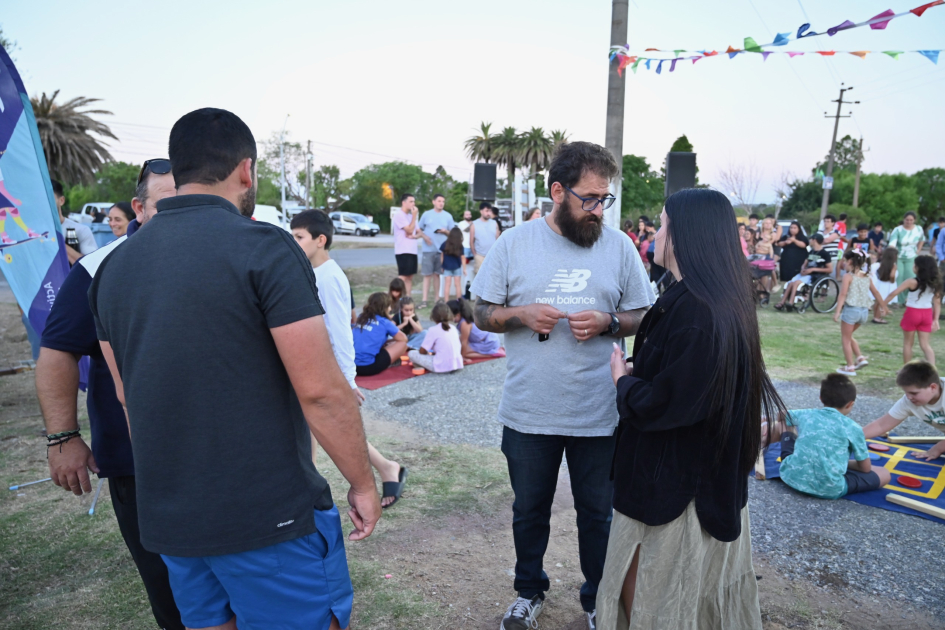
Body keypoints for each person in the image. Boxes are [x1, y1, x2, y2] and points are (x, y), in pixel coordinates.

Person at [88, 108, 380, 630]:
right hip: (266, 518)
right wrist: (363, 482)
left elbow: (128, 396)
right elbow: (321, 392)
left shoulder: (113, 266)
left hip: (174, 517)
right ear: (246, 170)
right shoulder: (263, 248)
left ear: (177, 172)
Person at [471, 141, 653, 630]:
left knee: (598, 515)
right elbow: (481, 311)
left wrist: (611, 322)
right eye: (590, 198)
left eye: (604, 198)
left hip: (600, 411)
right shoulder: (514, 243)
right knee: (529, 510)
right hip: (530, 410)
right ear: (557, 191)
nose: (598, 209)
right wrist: (519, 314)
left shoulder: (619, 247)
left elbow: (643, 314)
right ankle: (529, 591)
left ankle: (596, 599)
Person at [601, 188, 779, 630]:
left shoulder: (701, 309)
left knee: (653, 595)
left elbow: (668, 404)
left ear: (684, 236)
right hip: (696, 475)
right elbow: (693, 382)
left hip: (675, 484)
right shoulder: (709, 298)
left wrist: (623, 381)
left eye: (662, 225)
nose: (655, 234)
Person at [36, 161, 182, 630]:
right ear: (139, 208)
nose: (183, 213)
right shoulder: (102, 267)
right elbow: (57, 352)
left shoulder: (220, 254)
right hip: (138, 465)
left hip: (222, 459)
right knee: (172, 594)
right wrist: (62, 436)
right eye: (167, 204)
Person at [290, 210, 408, 509]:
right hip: (312, 363)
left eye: (298, 237)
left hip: (325, 366)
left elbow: (340, 331)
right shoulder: (313, 272)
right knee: (316, 425)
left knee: (333, 427)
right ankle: (317, 480)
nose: (293, 241)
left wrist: (346, 378)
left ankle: (384, 467)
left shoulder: (329, 277)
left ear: (320, 240)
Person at [769, 374, 890, 500]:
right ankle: (829, 465)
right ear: (850, 404)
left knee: (786, 422)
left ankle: (805, 461)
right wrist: (837, 462)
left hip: (790, 476)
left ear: (821, 398)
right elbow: (865, 468)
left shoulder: (807, 414)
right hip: (829, 489)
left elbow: (782, 414)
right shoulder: (853, 428)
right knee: (884, 473)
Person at [864, 360, 945, 461]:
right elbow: (881, 425)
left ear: (933, 387)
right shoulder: (909, 400)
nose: (909, 397)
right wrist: (852, 438)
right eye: (906, 392)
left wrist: (939, 447)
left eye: (914, 393)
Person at [833, 250, 886, 375]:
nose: (844, 264)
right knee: (849, 335)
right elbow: (876, 293)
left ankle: (850, 367)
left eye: (845, 261)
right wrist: (884, 306)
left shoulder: (848, 276)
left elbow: (843, 294)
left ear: (850, 261)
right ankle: (860, 358)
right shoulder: (867, 276)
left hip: (851, 311)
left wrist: (837, 311)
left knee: (845, 339)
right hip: (863, 312)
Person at [884, 254, 942, 364]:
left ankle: (907, 370)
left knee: (908, 344)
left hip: (913, 312)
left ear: (919, 268)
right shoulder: (935, 283)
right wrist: (936, 320)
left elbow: (893, 293)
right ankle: (932, 370)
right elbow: (937, 302)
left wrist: (883, 305)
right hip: (927, 313)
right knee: (925, 345)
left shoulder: (912, 281)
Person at [353, 292, 409, 376]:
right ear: (384, 308)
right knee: (403, 344)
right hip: (368, 367)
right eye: (389, 306)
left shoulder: (361, 317)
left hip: (351, 366)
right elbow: (404, 339)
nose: (390, 309)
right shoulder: (384, 322)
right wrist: (390, 341)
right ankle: (390, 362)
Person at [774, 233, 832, 311]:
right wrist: (803, 269)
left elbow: (829, 269)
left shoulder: (825, 254)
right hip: (806, 273)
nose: (809, 241)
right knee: (791, 282)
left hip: (815, 275)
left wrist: (812, 270)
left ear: (814, 240)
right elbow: (805, 263)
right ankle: (782, 302)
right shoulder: (811, 252)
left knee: (796, 282)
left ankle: (791, 303)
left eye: (811, 239)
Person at [417, 193, 456, 308]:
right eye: (439, 201)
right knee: (427, 275)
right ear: (434, 202)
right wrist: (425, 237)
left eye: (443, 201)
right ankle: (424, 300)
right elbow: (419, 230)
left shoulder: (448, 216)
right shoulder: (426, 214)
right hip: (428, 249)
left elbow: (453, 234)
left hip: (442, 250)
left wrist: (445, 232)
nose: (441, 203)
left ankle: (437, 299)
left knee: (437, 275)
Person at [407, 302, 463, 373]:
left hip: (441, 366)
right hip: (457, 364)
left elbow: (422, 351)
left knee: (411, 354)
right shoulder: (453, 328)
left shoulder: (433, 330)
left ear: (433, 317)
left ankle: (421, 367)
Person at [51, 179, 97, 264]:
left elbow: (91, 265)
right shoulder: (30, 233)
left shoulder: (80, 230)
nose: (44, 204)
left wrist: (56, 242)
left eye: (49, 198)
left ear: (61, 201)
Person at [888, 212, 926, 306]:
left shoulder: (918, 229)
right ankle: (898, 300)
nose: (909, 222)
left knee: (910, 276)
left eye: (911, 220)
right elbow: (892, 243)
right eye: (907, 220)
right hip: (899, 256)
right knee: (899, 276)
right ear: (904, 219)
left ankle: (907, 298)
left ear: (914, 220)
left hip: (912, 256)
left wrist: (918, 250)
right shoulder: (898, 230)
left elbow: (922, 239)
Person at [393, 193, 420, 295]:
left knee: (410, 276)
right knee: (403, 276)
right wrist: (414, 216)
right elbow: (409, 230)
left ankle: (407, 299)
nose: (413, 204)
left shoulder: (411, 216)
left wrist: (415, 236)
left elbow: (418, 232)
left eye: (414, 201)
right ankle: (394, 298)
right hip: (403, 250)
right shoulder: (399, 215)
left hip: (412, 250)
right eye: (411, 201)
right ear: (403, 203)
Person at [469, 201, 500, 281]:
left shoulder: (494, 223)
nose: (488, 213)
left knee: (492, 280)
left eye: (490, 211)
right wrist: (475, 255)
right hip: (480, 256)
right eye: (486, 211)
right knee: (480, 281)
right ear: (481, 211)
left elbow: (497, 239)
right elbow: (471, 241)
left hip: (492, 256)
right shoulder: (474, 224)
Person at [870, 247, 898, 324]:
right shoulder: (893, 266)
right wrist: (893, 280)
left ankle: (875, 316)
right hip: (886, 286)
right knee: (881, 303)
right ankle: (878, 317)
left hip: (879, 285)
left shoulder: (879, 265)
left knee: (877, 302)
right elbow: (892, 276)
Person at [440, 226, 466, 302]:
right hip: (457, 267)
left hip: (447, 267)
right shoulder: (460, 245)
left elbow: (441, 255)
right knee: (457, 285)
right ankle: (459, 301)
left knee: (447, 285)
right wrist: (464, 269)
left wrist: (442, 265)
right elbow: (463, 257)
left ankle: (446, 301)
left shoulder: (445, 244)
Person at [457, 209, 475, 293]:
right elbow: (465, 230)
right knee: (464, 266)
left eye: (469, 214)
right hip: (464, 246)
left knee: (471, 267)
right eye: (466, 214)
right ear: (464, 216)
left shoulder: (474, 223)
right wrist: (472, 225)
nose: (468, 216)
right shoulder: (461, 224)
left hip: (472, 247)